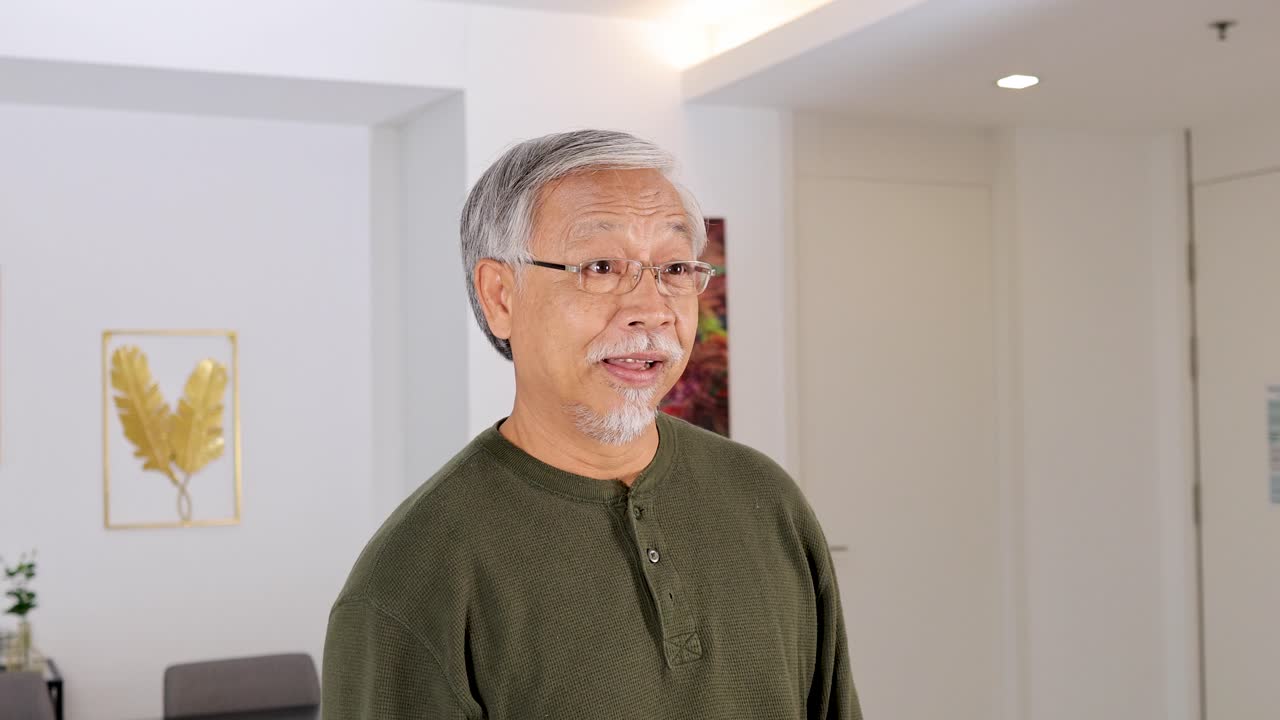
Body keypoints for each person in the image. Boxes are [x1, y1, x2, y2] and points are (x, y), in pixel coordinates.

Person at [322, 129, 862, 719]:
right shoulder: (412, 581)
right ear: (500, 296)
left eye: (676, 267)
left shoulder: (766, 497)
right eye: (602, 266)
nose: (651, 309)